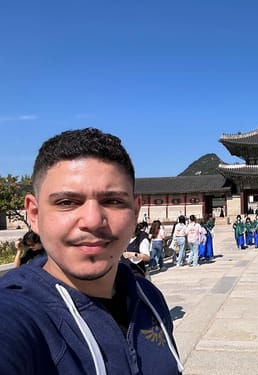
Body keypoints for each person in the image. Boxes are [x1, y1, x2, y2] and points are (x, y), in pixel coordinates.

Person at [0, 128, 183, 374]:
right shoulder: (17, 315)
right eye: (67, 202)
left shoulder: (148, 297)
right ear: (34, 214)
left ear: (135, 210)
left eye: (113, 201)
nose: (93, 220)